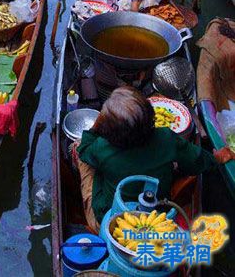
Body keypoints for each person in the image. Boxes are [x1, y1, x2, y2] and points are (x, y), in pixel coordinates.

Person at [76, 86, 235, 232]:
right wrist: (217, 158)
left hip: (111, 221)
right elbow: (197, 161)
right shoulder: (165, 137)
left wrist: (96, 125)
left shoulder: (101, 147)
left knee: (78, 148)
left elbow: (84, 150)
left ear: (109, 130)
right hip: (156, 213)